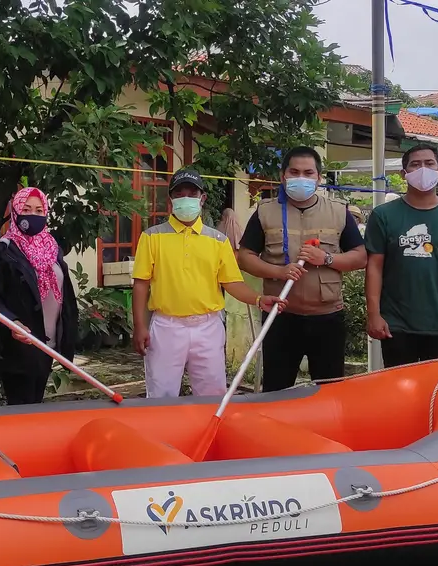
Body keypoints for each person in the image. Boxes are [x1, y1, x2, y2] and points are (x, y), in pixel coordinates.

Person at [132, 168, 286, 398]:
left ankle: (209, 434)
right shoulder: (152, 237)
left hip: (208, 327)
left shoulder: (217, 240)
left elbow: (232, 283)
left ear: (202, 198)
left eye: (192, 194)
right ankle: (164, 434)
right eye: (180, 193)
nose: (186, 198)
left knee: (211, 393)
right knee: (161, 393)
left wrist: (258, 299)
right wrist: (140, 326)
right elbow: (141, 284)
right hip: (166, 326)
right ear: (171, 199)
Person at [236, 146, 367, 391]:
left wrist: (326, 258)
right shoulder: (265, 212)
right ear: (283, 175)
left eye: (308, 173)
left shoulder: (339, 212)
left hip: (327, 317)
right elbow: (244, 257)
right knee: (276, 389)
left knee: (329, 391)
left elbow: (360, 258)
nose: (301, 178)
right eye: (294, 172)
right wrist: (278, 272)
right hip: (281, 316)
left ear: (319, 177)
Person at [364, 143, 438, 367]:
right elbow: (374, 267)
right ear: (404, 174)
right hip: (396, 326)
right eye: (415, 165)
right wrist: (374, 314)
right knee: (400, 395)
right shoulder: (383, 215)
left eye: (429, 164)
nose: (423, 169)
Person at [0, 187, 77, 405]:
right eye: (26, 209)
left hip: (49, 343)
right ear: (16, 212)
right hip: (18, 345)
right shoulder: (2, 251)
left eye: (39, 210)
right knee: (22, 405)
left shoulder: (52, 248)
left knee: (36, 402)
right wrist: (12, 322)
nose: (33, 215)